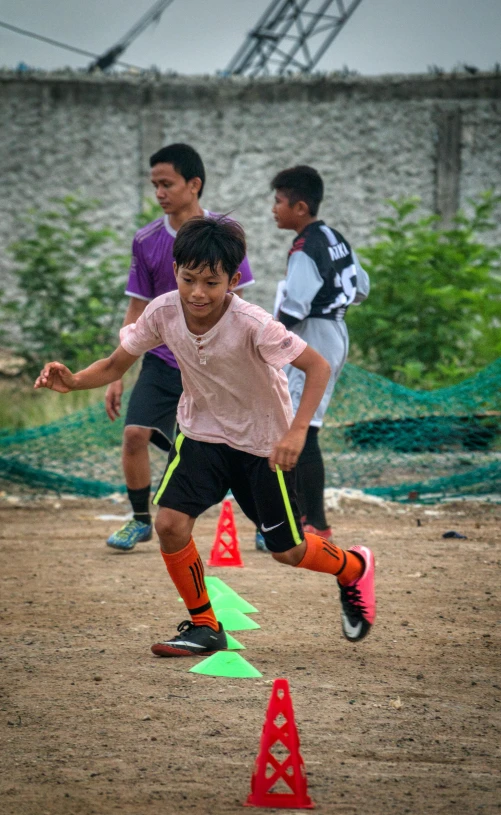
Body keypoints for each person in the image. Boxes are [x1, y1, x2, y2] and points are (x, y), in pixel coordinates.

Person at [34, 217, 376, 653]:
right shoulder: (162, 312)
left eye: (210, 283)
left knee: (286, 550)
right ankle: (205, 626)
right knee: (170, 524)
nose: (197, 292)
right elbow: (117, 364)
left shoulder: (253, 324)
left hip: (261, 445)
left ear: (232, 281)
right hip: (202, 435)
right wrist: (74, 380)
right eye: (188, 278)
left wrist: (295, 434)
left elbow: (317, 367)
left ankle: (352, 566)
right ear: (175, 271)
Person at [105, 143, 255, 552]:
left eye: (167, 183)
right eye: (154, 185)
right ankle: (139, 519)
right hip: (162, 360)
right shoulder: (147, 240)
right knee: (135, 433)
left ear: (194, 185)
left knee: (242, 446)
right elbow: (137, 306)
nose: (159, 193)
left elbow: (243, 303)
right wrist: (117, 371)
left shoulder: (223, 232)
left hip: (214, 364)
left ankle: (265, 517)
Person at [254, 165, 370, 550]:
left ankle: (313, 522)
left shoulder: (304, 248)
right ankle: (303, 516)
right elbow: (361, 287)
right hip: (335, 329)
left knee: (303, 427)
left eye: (278, 201)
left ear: (299, 207)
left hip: (313, 336)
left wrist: (266, 338)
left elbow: (296, 306)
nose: (273, 209)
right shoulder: (335, 238)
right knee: (301, 423)